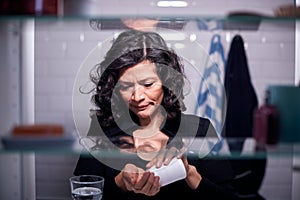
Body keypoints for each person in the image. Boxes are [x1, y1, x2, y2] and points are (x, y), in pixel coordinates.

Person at [73, 29, 249, 200]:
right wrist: (120, 183)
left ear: (166, 82)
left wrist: (189, 174)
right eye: (126, 87)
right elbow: (82, 192)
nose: (138, 97)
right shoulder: (102, 128)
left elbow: (230, 196)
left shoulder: (199, 130)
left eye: (148, 84)